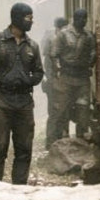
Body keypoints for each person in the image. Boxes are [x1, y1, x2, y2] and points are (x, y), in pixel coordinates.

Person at [0, 2, 44, 184]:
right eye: (29, 18)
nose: (32, 22)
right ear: (17, 18)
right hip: (1, 102)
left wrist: (29, 81)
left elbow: (39, 72)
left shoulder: (32, 46)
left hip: (24, 103)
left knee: (24, 149)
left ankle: (19, 190)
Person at [48, 8, 97, 141]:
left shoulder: (88, 36)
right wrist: (57, 69)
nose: (83, 21)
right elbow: (54, 54)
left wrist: (90, 63)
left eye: (85, 18)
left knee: (83, 108)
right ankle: (60, 138)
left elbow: (93, 51)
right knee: (62, 108)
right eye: (81, 18)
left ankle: (81, 138)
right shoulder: (64, 34)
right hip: (66, 76)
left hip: (82, 77)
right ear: (75, 19)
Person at [41, 15, 68, 147]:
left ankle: (58, 139)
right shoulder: (52, 39)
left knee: (61, 111)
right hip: (54, 81)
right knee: (54, 111)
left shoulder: (56, 37)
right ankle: (52, 140)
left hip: (60, 81)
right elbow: (48, 63)